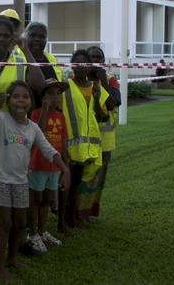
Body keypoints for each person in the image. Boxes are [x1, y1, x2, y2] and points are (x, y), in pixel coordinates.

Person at [0, 81, 70, 281]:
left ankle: (12, 259)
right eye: (16, 96)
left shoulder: (33, 128)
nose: (21, 100)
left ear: (31, 101)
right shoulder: (2, 119)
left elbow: (48, 150)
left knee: (20, 224)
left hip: (20, 182)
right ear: (9, 101)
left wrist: (64, 169)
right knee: (5, 223)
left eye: (25, 96)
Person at [60, 49, 108, 231]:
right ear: (72, 65)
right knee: (67, 185)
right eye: (77, 63)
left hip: (88, 146)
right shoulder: (66, 86)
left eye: (84, 64)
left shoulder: (95, 87)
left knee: (78, 185)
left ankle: (73, 216)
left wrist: (96, 97)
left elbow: (101, 115)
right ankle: (65, 218)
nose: (81, 67)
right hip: (70, 144)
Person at [73, 46, 120, 223]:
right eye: (91, 57)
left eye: (99, 58)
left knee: (97, 179)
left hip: (104, 141)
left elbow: (112, 105)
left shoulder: (111, 80)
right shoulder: (76, 80)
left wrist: (104, 83)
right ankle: (75, 211)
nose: (95, 61)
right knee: (81, 178)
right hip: (82, 141)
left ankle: (88, 212)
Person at [26, 78, 69, 254]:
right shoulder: (36, 114)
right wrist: (44, 109)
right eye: (50, 93)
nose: (55, 97)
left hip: (54, 167)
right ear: (42, 96)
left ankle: (43, 231)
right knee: (35, 200)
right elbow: (40, 133)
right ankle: (32, 233)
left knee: (47, 200)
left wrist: (65, 162)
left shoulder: (61, 116)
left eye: (58, 93)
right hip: (38, 164)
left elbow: (63, 141)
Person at [0, 17, 44, 97]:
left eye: (6, 36)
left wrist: (26, 50)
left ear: (12, 39)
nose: (1, 39)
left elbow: (39, 85)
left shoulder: (20, 62)